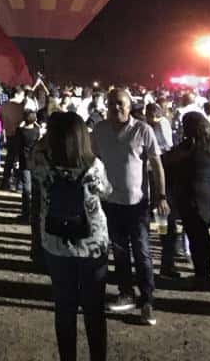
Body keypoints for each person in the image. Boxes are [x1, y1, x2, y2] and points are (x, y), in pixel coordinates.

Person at [32, 112, 112, 361]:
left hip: (56, 242)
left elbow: (33, 153)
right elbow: (107, 192)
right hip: (92, 244)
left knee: (64, 307)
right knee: (94, 308)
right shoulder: (93, 166)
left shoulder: (42, 164)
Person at [90, 88, 168, 326]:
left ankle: (147, 301)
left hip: (137, 205)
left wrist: (161, 195)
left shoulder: (142, 130)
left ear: (129, 104)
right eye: (112, 103)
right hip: (110, 203)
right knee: (120, 252)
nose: (116, 108)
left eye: (120, 104)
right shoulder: (100, 130)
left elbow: (156, 164)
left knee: (142, 253)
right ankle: (126, 293)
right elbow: (93, 159)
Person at [161, 112, 210, 289]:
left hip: (190, 194)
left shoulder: (189, 147)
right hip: (207, 192)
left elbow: (165, 160)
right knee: (203, 237)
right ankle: (205, 273)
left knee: (196, 237)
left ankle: (201, 276)